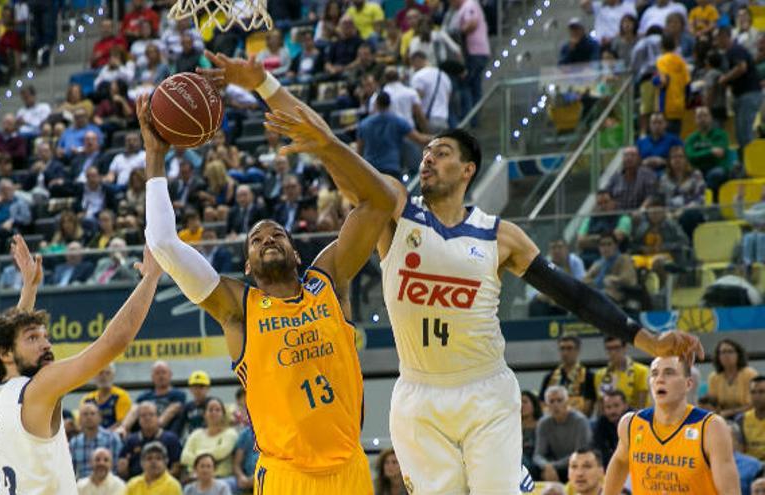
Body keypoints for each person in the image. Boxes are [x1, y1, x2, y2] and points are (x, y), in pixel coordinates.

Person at [199, 50, 702, 495]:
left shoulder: (500, 236)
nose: (428, 159)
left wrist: (645, 338)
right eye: (424, 152)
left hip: (486, 387)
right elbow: (328, 147)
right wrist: (265, 86)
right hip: (418, 393)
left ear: (468, 170)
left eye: (441, 152)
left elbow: (573, 294)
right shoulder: (396, 212)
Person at [148, 51, 406, 494]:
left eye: (278, 234)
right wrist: (155, 157)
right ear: (247, 266)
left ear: (296, 251)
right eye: (257, 239)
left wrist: (323, 142)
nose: (268, 239)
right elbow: (165, 245)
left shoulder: (329, 280)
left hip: (350, 469)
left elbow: (380, 202)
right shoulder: (238, 308)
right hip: (286, 475)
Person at [0, 234, 161, 493]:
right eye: (34, 338)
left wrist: (29, 289)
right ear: (5, 354)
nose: (47, 345)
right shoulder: (38, 388)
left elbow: (8, 347)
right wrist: (151, 278)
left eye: (45, 337)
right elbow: (112, 344)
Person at [604, 356, 741, 495]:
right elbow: (620, 461)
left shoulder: (711, 427)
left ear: (688, 384)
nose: (660, 379)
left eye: (669, 373)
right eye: (655, 373)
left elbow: (730, 491)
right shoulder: (631, 423)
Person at [357, 92, 430, 179]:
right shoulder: (398, 121)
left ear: (376, 104)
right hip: (391, 168)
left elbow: (359, 151)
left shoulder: (364, 124)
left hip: (371, 169)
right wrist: (439, 136)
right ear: (389, 104)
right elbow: (419, 139)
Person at [715, 26, 762, 153]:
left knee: (746, 133)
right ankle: (745, 165)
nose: (716, 42)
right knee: (740, 134)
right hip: (741, 95)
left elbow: (742, 67)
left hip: (749, 94)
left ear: (724, 37)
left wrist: (725, 78)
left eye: (717, 38)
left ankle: (753, 165)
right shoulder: (728, 53)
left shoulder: (735, 50)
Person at [533, 386, 593, 483]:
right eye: (551, 401)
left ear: (567, 402)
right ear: (546, 406)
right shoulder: (543, 423)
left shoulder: (580, 421)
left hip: (576, 464)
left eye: (559, 400)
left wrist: (552, 466)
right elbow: (538, 455)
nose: (555, 405)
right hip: (553, 468)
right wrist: (546, 466)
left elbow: (580, 454)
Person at [117, 401, 182, 480]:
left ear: (157, 417)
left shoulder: (171, 439)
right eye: (143, 415)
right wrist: (123, 470)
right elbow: (122, 466)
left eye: (151, 415)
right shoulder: (131, 440)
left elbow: (177, 467)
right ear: (138, 420)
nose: (147, 418)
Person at [179, 398, 237, 479]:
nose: (214, 412)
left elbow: (221, 453)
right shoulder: (196, 433)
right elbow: (184, 457)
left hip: (220, 477)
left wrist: (197, 456)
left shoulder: (230, 433)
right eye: (210, 410)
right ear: (204, 415)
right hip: (194, 477)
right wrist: (206, 458)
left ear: (223, 414)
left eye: (217, 410)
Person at [121, 361, 185, 434]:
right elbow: (133, 411)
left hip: (166, 434)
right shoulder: (144, 396)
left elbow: (168, 414)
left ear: (170, 375)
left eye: (164, 372)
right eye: (157, 373)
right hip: (143, 434)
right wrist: (123, 427)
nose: (161, 376)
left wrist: (151, 427)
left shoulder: (178, 395)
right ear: (152, 377)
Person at [539, 336, 597, 416]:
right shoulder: (549, 377)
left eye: (569, 348)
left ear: (578, 350)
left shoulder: (588, 376)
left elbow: (588, 406)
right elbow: (542, 403)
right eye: (562, 348)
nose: (565, 353)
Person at [70, 402, 123, 479]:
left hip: (108, 484)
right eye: (85, 414)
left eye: (92, 413)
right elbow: (72, 471)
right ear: (80, 420)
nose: (89, 417)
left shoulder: (112, 438)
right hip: (83, 486)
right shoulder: (74, 443)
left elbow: (118, 468)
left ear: (99, 417)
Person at [595, 336, 650, 409]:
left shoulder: (641, 371)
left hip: (634, 416)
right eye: (609, 349)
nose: (613, 352)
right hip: (611, 417)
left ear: (625, 348)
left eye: (616, 348)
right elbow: (601, 406)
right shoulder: (600, 375)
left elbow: (641, 405)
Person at [709, 339, 759, 418]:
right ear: (718, 356)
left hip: (747, 415)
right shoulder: (714, 377)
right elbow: (712, 403)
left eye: (730, 351)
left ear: (738, 355)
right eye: (723, 352)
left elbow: (754, 403)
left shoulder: (750, 374)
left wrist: (730, 412)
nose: (726, 355)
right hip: (722, 416)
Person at [82, 364, 131, 431]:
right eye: (100, 373)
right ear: (94, 376)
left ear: (113, 376)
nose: (104, 376)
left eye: (108, 373)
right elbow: (81, 423)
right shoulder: (87, 399)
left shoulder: (121, 396)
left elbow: (121, 423)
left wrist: (104, 435)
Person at [591, 389, 632, 463]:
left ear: (626, 406)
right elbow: (599, 450)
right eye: (608, 407)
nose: (612, 411)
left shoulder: (635, 420)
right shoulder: (601, 423)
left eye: (616, 406)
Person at [738, 376, 765, 462]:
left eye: (761, 392)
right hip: (751, 468)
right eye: (753, 392)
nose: (756, 396)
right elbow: (739, 452)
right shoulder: (741, 419)